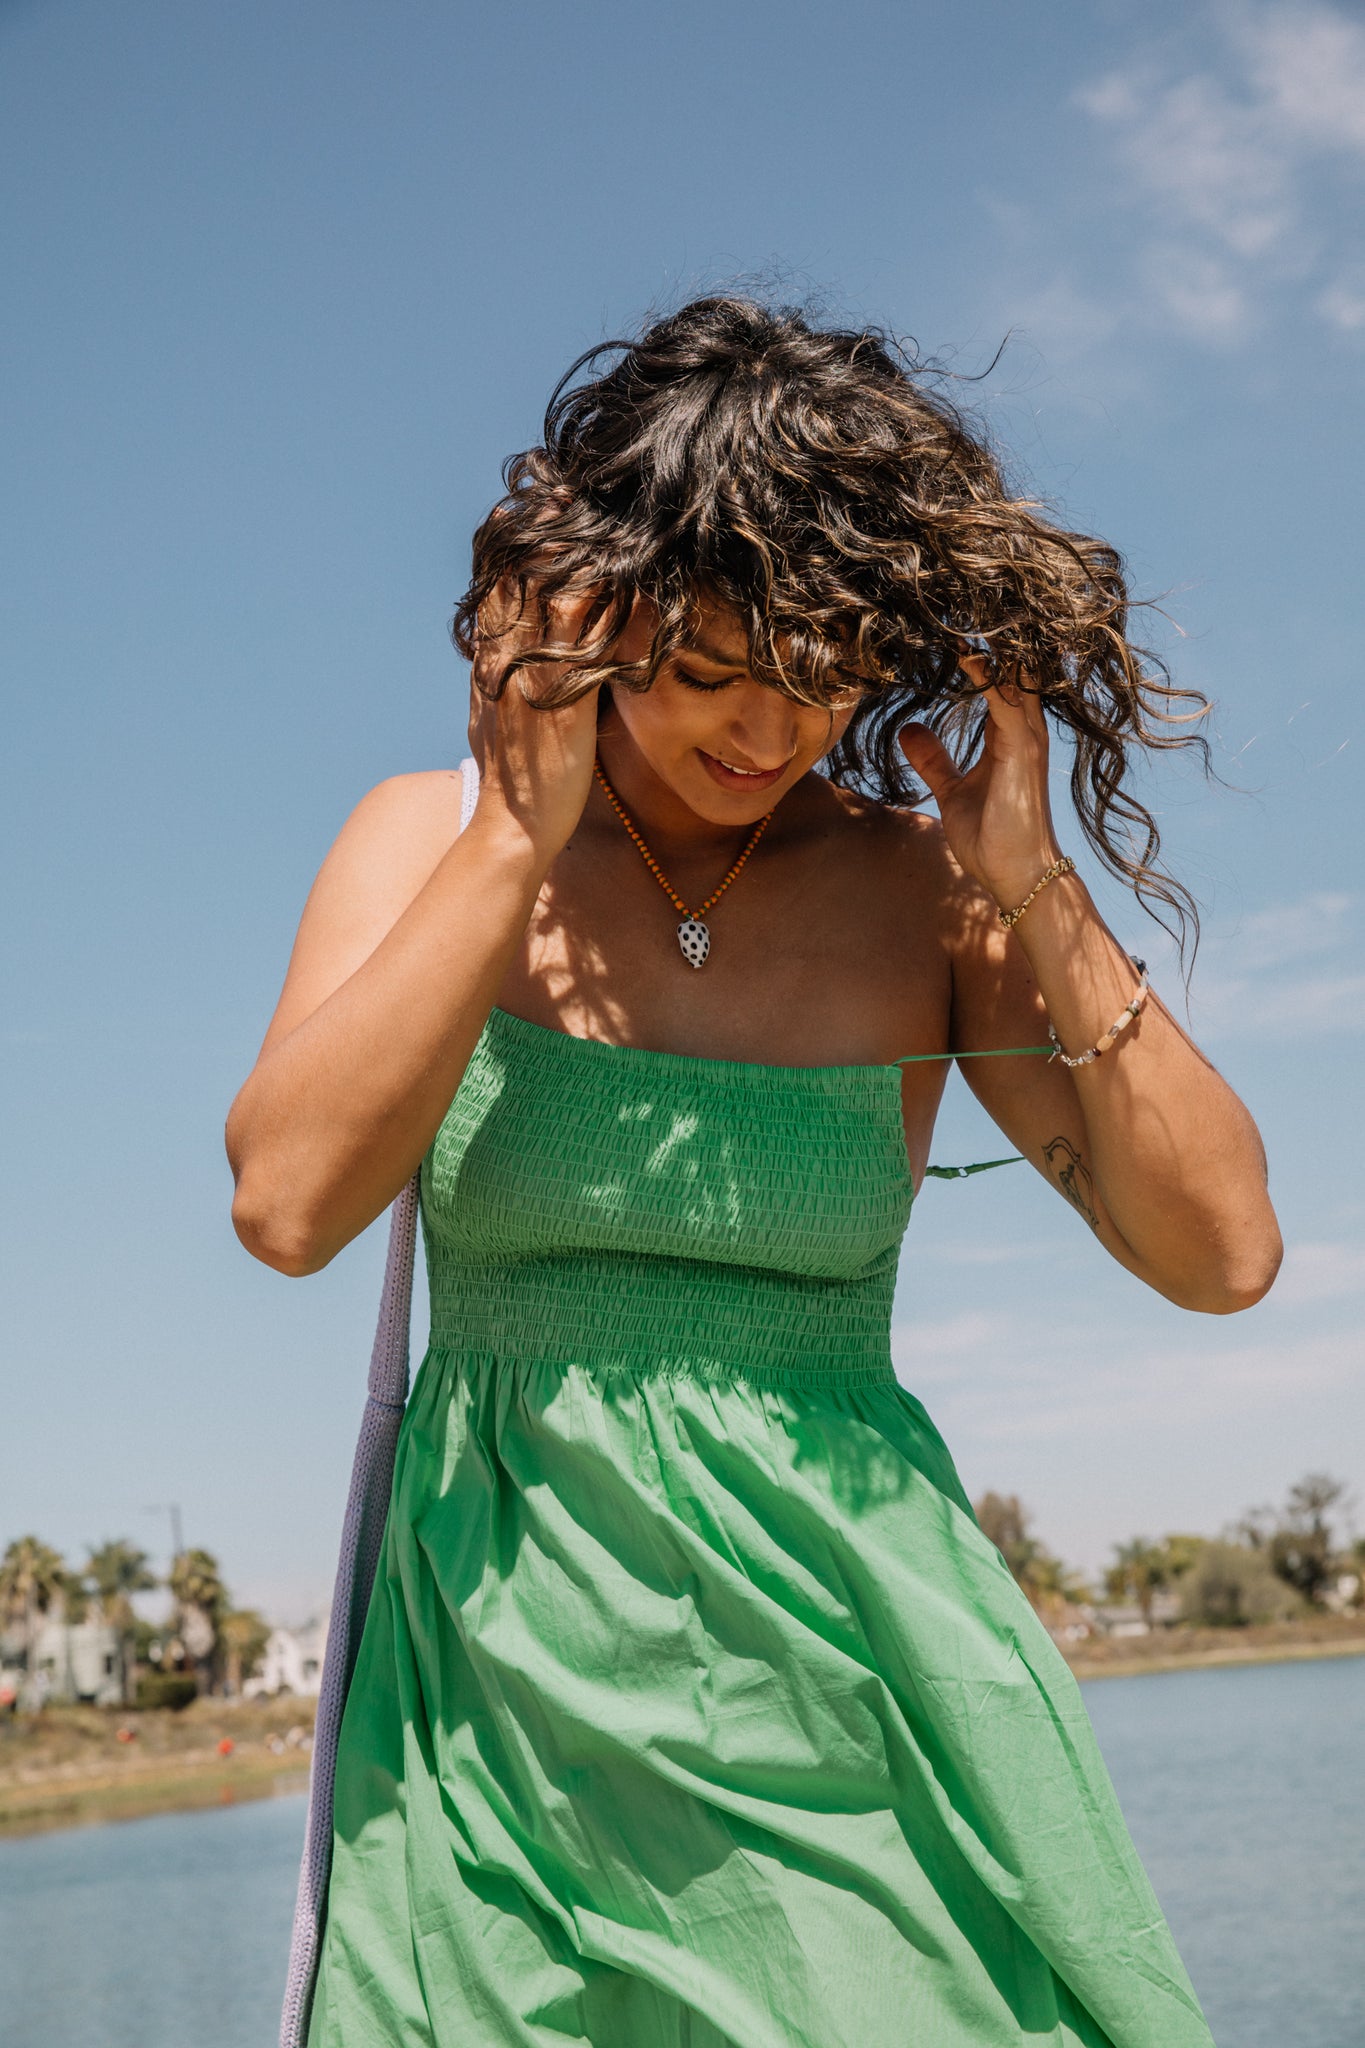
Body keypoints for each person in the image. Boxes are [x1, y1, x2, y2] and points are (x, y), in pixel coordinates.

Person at [226, 297, 1282, 2048]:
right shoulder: (427, 839)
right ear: (601, 612)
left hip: (854, 1697)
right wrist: (513, 840)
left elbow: (1221, 1253)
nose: (769, 730)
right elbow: (285, 1208)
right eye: (710, 668)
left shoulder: (919, 891)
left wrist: (1032, 885)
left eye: (822, 673)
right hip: (492, 1708)